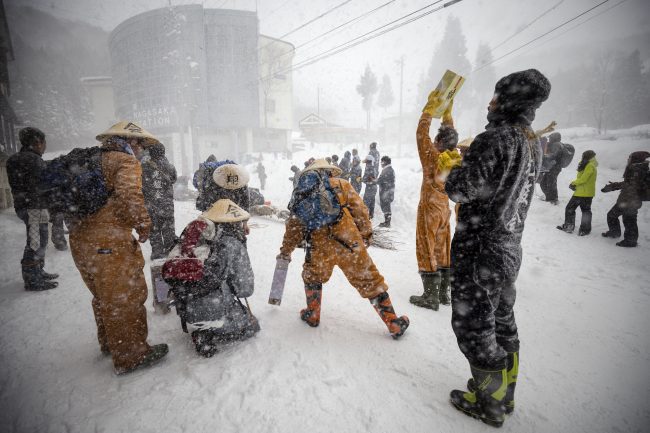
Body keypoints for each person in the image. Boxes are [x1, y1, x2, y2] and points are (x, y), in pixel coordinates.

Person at [445, 69, 551, 427]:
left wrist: (452, 156)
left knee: (475, 325)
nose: (489, 103)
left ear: (507, 100)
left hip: (480, 250)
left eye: (494, 97)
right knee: (503, 321)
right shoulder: (531, 140)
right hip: (508, 249)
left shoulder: (496, 139)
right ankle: (506, 396)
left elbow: (461, 190)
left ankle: (488, 403)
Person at [68, 121, 168, 375]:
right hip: (109, 239)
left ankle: (110, 343)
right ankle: (131, 354)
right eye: (141, 144)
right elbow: (130, 196)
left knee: (103, 294)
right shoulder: (123, 161)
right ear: (130, 141)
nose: (141, 150)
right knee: (126, 296)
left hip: (81, 239)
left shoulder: (90, 159)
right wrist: (143, 224)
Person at [277, 159, 409, 338]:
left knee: (312, 276)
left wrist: (286, 250)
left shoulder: (304, 191)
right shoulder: (342, 185)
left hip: (318, 245)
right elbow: (361, 211)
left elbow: (295, 225)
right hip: (348, 242)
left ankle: (313, 313)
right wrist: (366, 234)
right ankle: (393, 322)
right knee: (370, 280)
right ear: (329, 171)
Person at [162, 199, 260, 357]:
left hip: (186, 304)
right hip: (212, 306)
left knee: (210, 289)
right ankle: (210, 331)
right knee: (251, 327)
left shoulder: (194, 234)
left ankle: (201, 328)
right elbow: (245, 289)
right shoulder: (231, 244)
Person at [410, 101, 460, 311]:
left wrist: (429, 111)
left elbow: (422, 134)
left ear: (438, 141)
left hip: (430, 205)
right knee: (442, 247)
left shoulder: (433, 157)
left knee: (425, 247)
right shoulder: (455, 157)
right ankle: (444, 294)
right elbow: (451, 136)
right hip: (444, 206)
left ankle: (430, 296)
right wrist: (447, 116)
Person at [6, 127, 59, 291]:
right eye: (43, 143)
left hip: (24, 206)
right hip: (35, 207)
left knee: (38, 240)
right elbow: (44, 185)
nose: (44, 146)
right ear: (37, 143)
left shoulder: (14, 159)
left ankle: (38, 270)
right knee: (36, 242)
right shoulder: (34, 160)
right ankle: (32, 279)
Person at [134, 142, 178, 259]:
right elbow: (173, 180)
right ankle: (170, 250)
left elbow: (139, 183)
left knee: (154, 230)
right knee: (168, 229)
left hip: (150, 204)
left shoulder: (143, 166)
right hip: (166, 205)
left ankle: (157, 252)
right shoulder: (170, 167)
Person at [601, 151, 650, 247]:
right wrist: (613, 186)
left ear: (635, 159)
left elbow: (631, 186)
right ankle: (617, 234)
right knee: (617, 217)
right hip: (628, 200)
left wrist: (614, 187)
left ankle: (629, 240)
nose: (628, 159)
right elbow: (628, 184)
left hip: (629, 201)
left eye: (630, 157)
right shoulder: (636, 169)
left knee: (627, 220)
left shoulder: (637, 171)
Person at [557, 150, 597, 236]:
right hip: (587, 192)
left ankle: (569, 226)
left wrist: (573, 183)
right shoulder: (588, 164)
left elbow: (584, 179)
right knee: (586, 210)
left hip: (582, 192)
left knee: (570, 208)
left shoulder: (589, 165)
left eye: (583, 156)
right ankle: (585, 230)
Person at [539, 132, 564, 204]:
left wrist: (544, 156)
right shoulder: (554, 144)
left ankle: (554, 199)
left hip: (554, 167)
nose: (549, 139)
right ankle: (549, 197)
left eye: (550, 138)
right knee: (544, 182)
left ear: (554, 138)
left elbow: (553, 155)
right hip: (552, 167)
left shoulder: (557, 145)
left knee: (551, 183)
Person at [376, 155, 395, 228]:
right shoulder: (390, 169)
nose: (381, 163)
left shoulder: (387, 170)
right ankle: (387, 222)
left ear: (385, 162)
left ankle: (387, 223)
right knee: (386, 206)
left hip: (386, 191)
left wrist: (373, 181)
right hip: (388, 191)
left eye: (382, 162)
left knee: (386, 206)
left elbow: (380, 180)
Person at [362, 155, 378, 219]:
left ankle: (364, 218)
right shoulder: (373, 167)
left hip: (370, 187)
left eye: (366, 162)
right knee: (372, 202)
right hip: (373, 187)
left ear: (368, 162)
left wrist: (361, 179)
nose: (365, 164)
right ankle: (371, 215)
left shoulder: (369, 168)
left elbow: (366, 178)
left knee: (365, 202)